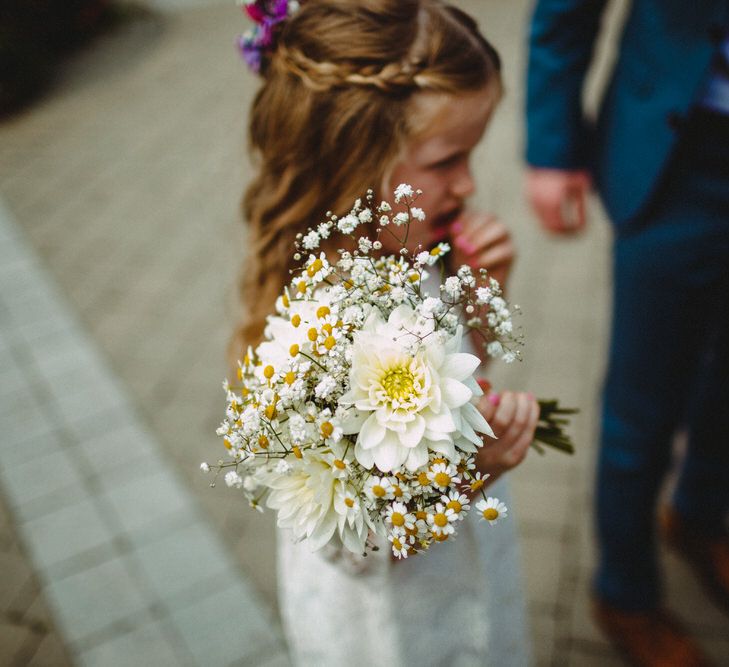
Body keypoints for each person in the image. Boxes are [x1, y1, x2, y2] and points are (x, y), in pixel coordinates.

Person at [232, 1, 540, 664]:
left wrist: (484, 302)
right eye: (444, 160)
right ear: (352, 161)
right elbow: (347, 543)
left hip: (463, 565)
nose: (468, 184)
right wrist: (461, 478)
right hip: (390, 626)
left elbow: (461, 366)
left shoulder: (412, 250)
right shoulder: (319, 330)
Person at [525, 1, 729, 665]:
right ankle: (625, 592)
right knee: (642, 404)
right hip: (680, 156)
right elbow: (565, 13)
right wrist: (551, 150)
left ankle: (697, 515)